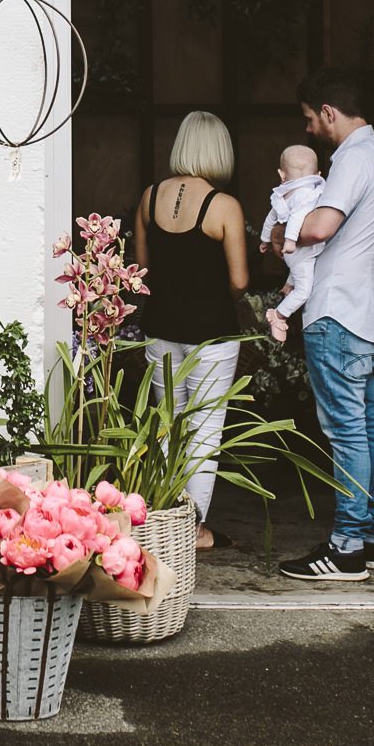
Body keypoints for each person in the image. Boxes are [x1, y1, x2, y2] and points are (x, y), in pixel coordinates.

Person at [273, 68, 374, 583]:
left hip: (337, 312)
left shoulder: (352, 159)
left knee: (347, 432)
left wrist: (281, 230)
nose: (309, 130)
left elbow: (321, 226)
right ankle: (372, 540)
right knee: (368, 428)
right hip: (370, 313)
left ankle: (347, 547)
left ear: (329, 112)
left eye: (310, 119)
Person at [133, 111, 252, 552]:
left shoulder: (149, 197)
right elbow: (239, 281)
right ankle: (193, 530)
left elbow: (141, 271)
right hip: (211, 335)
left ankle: (161, 520)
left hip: (160, 330)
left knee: (170, 428)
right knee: (205, 432)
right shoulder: (224, 206)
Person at [257, 144, 325, 344]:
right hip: (296, 248)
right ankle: (279, 315)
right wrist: (290, 239)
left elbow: (270, 219)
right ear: (318, 173)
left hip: (294, 254)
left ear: (282, 174)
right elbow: (296, 217)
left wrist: (264, 239)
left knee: (303, 265)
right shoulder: (309, 194)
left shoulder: (282, 196)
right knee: (304, 290)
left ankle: (289, 284)